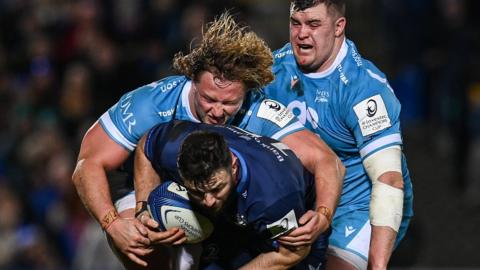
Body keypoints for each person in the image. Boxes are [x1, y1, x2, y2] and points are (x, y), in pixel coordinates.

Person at [72, 12, 344, 269]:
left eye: (229, 103)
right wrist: (114, 223)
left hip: (219, 190)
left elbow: (327, 161)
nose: (217, 111)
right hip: (144, 179)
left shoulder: (260, 111)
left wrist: (323, 214)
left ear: (245, 94)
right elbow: (87, 163)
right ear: (192, 80)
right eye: (209, 99)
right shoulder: (150, 105)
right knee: (140, 242)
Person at [262, 1, 414, 269]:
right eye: (295, 23)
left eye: (314, 24)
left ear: (338, 27)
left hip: (358, 205)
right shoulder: (273, 70)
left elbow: (389, 180)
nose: (301, 34)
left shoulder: (364, 88)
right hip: (303, 200)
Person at [134, 120, 329, 269]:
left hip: (286, 226)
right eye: (196, 192)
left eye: (217, 188)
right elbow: (146, 145)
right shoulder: (173, 146)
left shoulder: (275, 195)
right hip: (230, 223)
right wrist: (142, 208)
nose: (208, 201)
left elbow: (291, 254)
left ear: (233, 166)